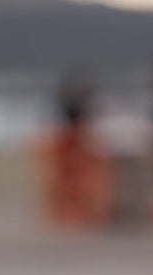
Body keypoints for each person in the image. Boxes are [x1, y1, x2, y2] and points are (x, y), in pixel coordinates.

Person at [37, 78, 113, 229]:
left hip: (72, 157)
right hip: (75, 158)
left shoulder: (62, 130)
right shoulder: (72, 133)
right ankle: (83, 211)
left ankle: (77, 212)